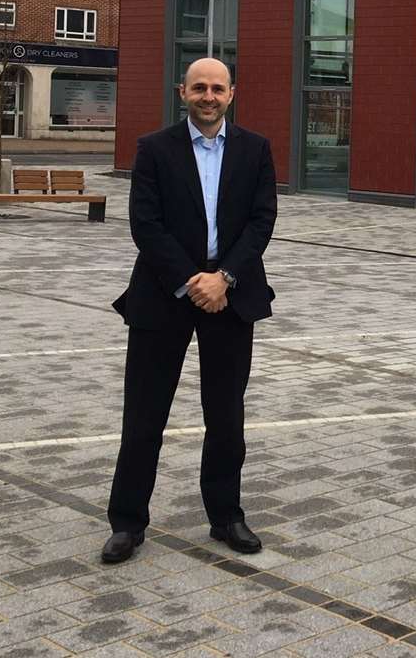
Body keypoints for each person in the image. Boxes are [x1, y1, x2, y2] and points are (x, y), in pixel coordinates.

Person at [101, 58, 277, 564]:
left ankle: (226, 517)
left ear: (231, 94)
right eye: (199, 87)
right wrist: (190, 279)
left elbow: (262, 220)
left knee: (226, 416)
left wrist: (224, 278)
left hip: (231, 295)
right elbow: (145, 224)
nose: (208, 95)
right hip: (163, 294)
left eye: (217, 88)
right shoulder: (154, 149)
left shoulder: (256, 149)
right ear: (182, 92)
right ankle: (127, 523)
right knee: (144, 416)